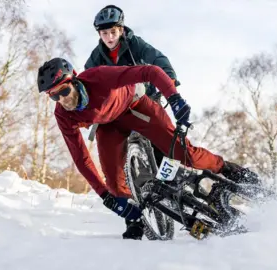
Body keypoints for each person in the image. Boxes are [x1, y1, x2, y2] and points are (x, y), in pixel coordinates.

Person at [36, 57, 259, 240]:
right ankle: (135, 218)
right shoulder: (63, 115)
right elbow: (80, 157)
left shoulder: (100, 77)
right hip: (108, 126)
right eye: (53, 96)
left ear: (74, 81)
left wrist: (175, 100)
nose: (62, 100)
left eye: (63, 91)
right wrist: (106, 196)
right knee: (114, 182)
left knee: (184, 154)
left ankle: (227, 169)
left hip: (135, 108)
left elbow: (150, 71)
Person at [85, 4, 178, 166]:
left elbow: (157, 58)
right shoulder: (96, 56)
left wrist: (169, 78)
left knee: (161, 138)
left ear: (121, 30)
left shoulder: (135, 44)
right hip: (119, 107)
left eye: (113, 32)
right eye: (104, 33)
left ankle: (173, 172)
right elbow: (87, 80)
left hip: (145, 98)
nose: (109, 38)